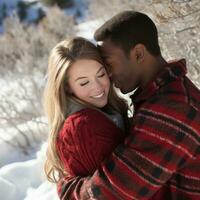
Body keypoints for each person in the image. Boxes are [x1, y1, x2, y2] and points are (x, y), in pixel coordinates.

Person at [57, 11, 200, 200]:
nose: (107, 74)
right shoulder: (161, 96)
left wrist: (67, 190)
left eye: (108, 63)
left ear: (138, 54)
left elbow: (116, 191)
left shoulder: (173, 108)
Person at [43, 37, 130, 186]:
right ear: (66, 87)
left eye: (101, 75)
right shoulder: (83, 127)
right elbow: (113, 191)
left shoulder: (106, 111)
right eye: (84, 82)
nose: (98, 87)